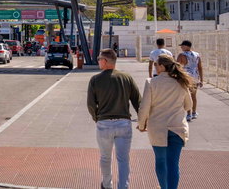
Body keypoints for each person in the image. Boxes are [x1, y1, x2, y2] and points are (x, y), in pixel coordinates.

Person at [87, 49, 141, 189]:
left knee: (105, 158)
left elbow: (91, 104)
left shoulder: (95, 80)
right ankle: (123, 186)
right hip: (124, 123)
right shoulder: (126, 78)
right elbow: (137, 101)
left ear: (105, 61)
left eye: (99, 59)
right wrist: (143, 120)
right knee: (123, 159)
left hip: (104, 124)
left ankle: (107, 184)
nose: (98, 61)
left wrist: (97, 118)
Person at [138, 54, 193, 189]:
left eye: (156, 64)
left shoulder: (151, 83)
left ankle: (163, 187)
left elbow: (144, 107)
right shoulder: (181, 82)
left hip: (157, 128)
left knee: (161, 161)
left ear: (162, 66)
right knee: (173, 163)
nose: (155, 67)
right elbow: (189, 105)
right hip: (177, 127)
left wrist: (141, 124)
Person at [177, 40, 203, 121]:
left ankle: (188, 114)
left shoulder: (181, 55)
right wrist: (201, 79)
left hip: (186, 77)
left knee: (187, 95)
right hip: (195, 77)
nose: (181, 47)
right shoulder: (197, 55)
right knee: (193, 96)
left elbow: (177, 67)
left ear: (187, 46)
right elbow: (200, 67)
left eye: (182, 46)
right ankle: (194, 112)